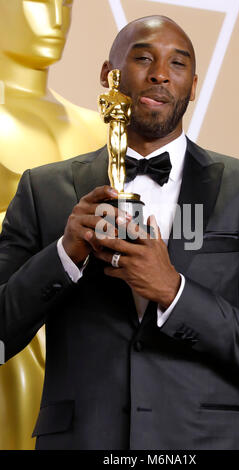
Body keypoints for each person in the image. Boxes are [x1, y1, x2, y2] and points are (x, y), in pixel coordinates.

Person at [0, 15, 239, 451]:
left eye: (177, 64)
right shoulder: (43, 188)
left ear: (193, 86)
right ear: (108, 75)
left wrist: (174, 292)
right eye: (143, 57)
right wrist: (63, 256)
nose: (160, 73)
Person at [0, 0, 106, 450]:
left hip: (85, 317)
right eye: (39, 2)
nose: (57, 19)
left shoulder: (98, 127)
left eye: (65, 3)